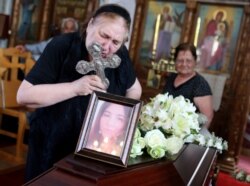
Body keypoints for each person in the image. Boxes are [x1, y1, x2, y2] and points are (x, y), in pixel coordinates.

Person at [16, 4, 142, 181]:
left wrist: (121, 120)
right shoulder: (62, 46)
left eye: (116, 42)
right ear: (90, 25)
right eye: (104, 35)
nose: (107, 47)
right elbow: (24, 96)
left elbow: (135, 88)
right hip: (52, 144)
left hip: (94, 149)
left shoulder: (121, 55)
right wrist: (74, 87)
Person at [162, 42, 213, 128]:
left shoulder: (200, 84)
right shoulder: (171, 77)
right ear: (175, 61)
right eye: (180, 60)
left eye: (188, 61)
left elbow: (208, 117)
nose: (184, 64)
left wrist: (194, 138)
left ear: (195, 61)